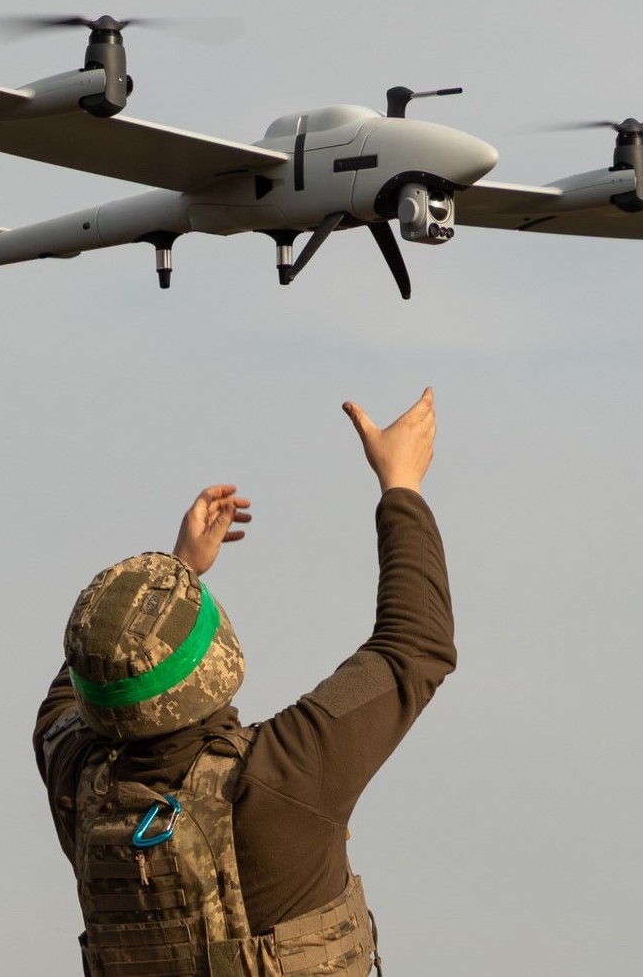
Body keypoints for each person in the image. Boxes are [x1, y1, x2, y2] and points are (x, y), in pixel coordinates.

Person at [34, 388, 455, 977]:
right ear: (215, 661)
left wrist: (175, 568)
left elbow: (86, 671)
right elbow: (415, 646)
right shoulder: (281, 777)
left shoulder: (75, 778)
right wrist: (401, 485)